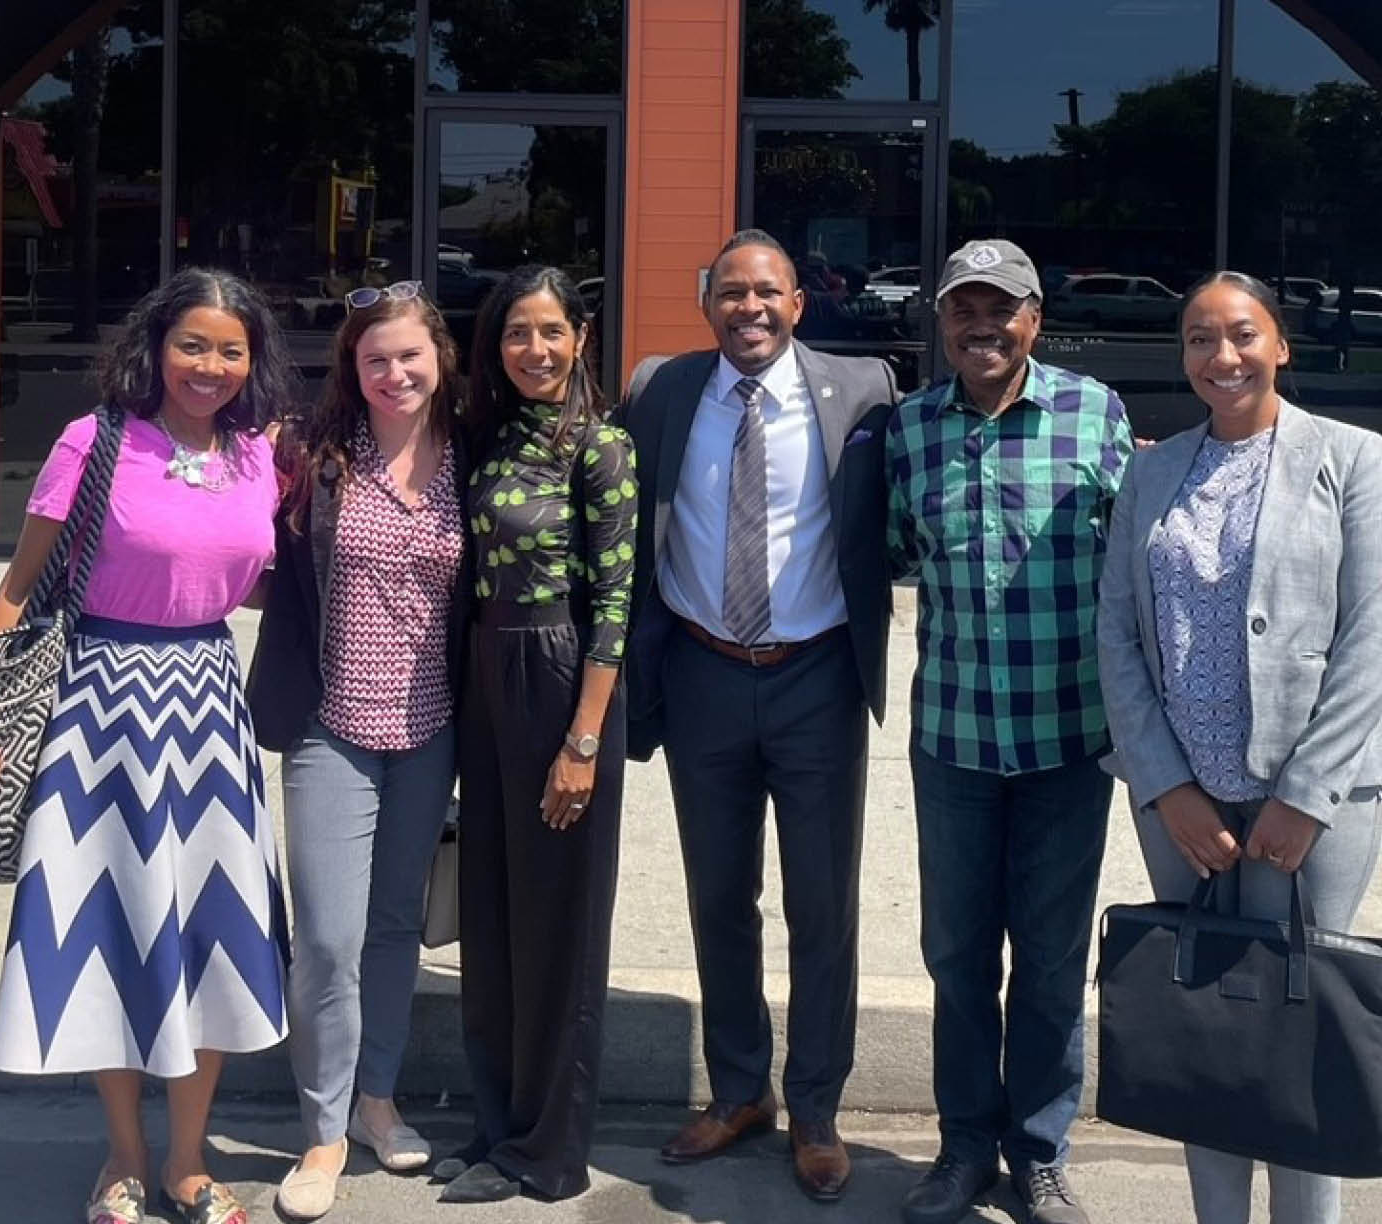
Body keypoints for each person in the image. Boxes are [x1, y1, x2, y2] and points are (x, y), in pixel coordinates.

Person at [0, 267, 298, 1224]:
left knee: (209, 933)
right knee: (106, 927)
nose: (211, 366)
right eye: (193, 344)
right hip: (97, 706)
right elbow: (22, 586)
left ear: (252, 361)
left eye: (232, 350)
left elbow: (249, 577)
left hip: (211, 706)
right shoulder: (93, 442)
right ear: (156, 346)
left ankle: (188, 1160)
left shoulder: (257, 455)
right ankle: (123, 1157)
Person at [1098, 271, 1382, 1224]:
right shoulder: (1151, 471)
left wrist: (1304, 795)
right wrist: (1164, 783)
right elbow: (1117, 636)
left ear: (1282, 344)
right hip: (1184, 808)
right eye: (1197, 339)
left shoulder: (1354, 459)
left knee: (1300, 1040)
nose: (1220, 357)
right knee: (1205, 1038)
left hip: (1315, 811)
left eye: (1242, 335)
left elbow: (1372, 636)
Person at [621, 229, 896, 1204]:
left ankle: (816, 1105)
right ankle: (741, 1089)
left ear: (799, 302)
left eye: (767, 292)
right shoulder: (660, 388)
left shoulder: (865, 390)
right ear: (707, 304)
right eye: (731, 293)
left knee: (822, 904)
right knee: (718, 896)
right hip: (702, 673)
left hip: (817, 676)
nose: (750, 309)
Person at [886, 239, 1133, 1224]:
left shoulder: (1097, 415)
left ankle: (1038, 1150)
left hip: (1070, 743)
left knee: (1049, 959)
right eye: (962, 309)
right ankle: (961, 1149)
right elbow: (898, 555)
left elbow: (1137, 564)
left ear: (1035, 318)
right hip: (953, 742)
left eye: (1001, 308)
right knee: (955, 958)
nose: (980, 325)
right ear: (941, 322)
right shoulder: (909, 430)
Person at [246, 281, 470, 1220]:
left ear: (439, 359)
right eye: (375, 358)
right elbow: (244, 549)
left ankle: (377, 1102)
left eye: (409, 355)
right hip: (330, 726)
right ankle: (324, 1129)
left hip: (432, 730)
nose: (394, 372)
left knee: (391, 930)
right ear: (353, 367)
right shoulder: (309, 456)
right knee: (328, 938)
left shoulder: (472, 455)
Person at [442, 265, 635, 1204]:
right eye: (518, 333)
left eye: (551, 332)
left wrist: (584, 742)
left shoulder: (599, 445)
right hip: (484, 677)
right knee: (493, 908)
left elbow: (616, 604)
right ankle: (495, 1123)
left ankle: (548, 1151)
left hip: (562, 679)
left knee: (557, 921)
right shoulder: (478, 435)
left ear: (581, 339)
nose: (536, 350)